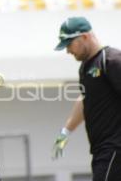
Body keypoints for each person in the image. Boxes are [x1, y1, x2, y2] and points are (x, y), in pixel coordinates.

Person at [52, 17, 121, 180]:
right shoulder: (85, 67)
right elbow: (85, 100)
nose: (68, 51)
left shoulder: (111, 61)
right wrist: (65, 131)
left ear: (85, 36)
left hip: (114, 148)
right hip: (100, 150)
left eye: (69, 44)